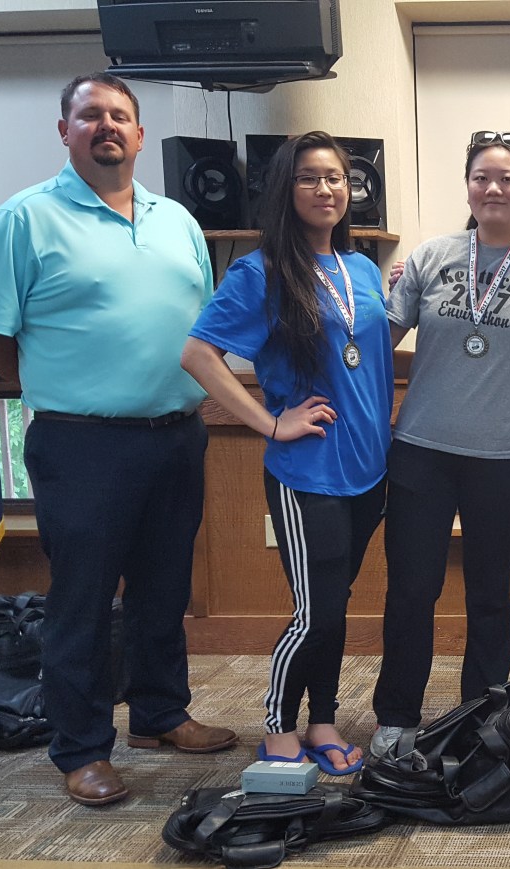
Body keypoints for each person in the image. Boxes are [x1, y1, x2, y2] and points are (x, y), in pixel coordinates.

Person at [0, 73, 236, 807]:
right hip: (82, 443)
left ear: (140, 135)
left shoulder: (176, 219)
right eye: (90, 116)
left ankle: (159, 713)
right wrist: (52, 377)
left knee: (162, 587)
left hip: (175, 434)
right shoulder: (24, 220)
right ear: (65, 131)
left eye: (120, 116)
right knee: (83, 598)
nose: (106, 126)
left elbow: (199, 325)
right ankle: (80, 748)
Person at [182, 132, 392, 776]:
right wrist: (270, 424)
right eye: (308, 177)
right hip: (308, 475)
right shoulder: (262, 270)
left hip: (369, 469)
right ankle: (277, 722)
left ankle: (323, 717)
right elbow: (197, 354)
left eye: (335, 178)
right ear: (285, 189)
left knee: (337, 601)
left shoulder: (360, 269)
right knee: (315, 611)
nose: (326, 189)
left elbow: (364, 350)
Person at [368, 131, 510, 758]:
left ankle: (482, 715)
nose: (494, 188)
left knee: (489, 592)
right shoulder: (432, 256)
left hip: (503, 457)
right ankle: (397, 714)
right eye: (482, 177)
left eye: (508, 178)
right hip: (421, 452)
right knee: (412, 587)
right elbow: (380, 332)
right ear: (468, 187)